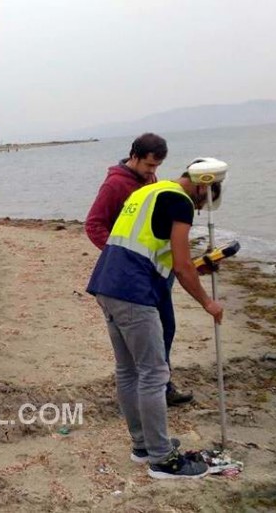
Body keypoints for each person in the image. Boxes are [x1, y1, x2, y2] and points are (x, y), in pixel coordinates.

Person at [86, 171, 223, 479]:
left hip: (108, 284)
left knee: (129, 371)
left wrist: (199, 266)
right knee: (154, 373)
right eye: (203, 201)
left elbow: (154, 250)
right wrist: (208, 303)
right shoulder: (180, 202)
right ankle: (162, 460)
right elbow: (181, 265)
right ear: (203, 185)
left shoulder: (148, 192)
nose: (199, 209)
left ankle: (144, 445)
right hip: (134, 293)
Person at [85, 133, 194, 407]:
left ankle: (163, 387)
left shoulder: (152, 181)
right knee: (138, 343)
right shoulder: (115, 185)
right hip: (131, 275)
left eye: (157, 167)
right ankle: (148, 392)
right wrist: (119, 256)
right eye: (148, 165)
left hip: (158, 272)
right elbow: (94, 224)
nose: (152, 172)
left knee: (166, 328)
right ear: (133, 156)